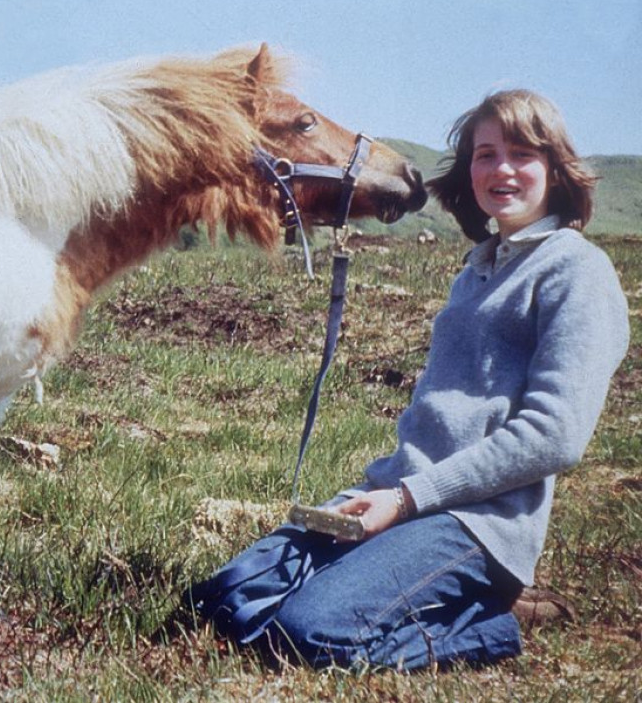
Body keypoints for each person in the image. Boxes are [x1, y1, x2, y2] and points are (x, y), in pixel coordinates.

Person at [188, 89, 630, 670]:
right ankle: (414, 588)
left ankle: (493, 623)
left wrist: (406, 499)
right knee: (224, 599)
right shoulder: (476, 271)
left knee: (310, 634)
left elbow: (555, 436)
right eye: (485, 154)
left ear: (554, 167)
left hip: (477, 524)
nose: (501, 169)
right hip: (398, 497)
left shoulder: (577, 270)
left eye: (522, 154)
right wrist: (392, 494)